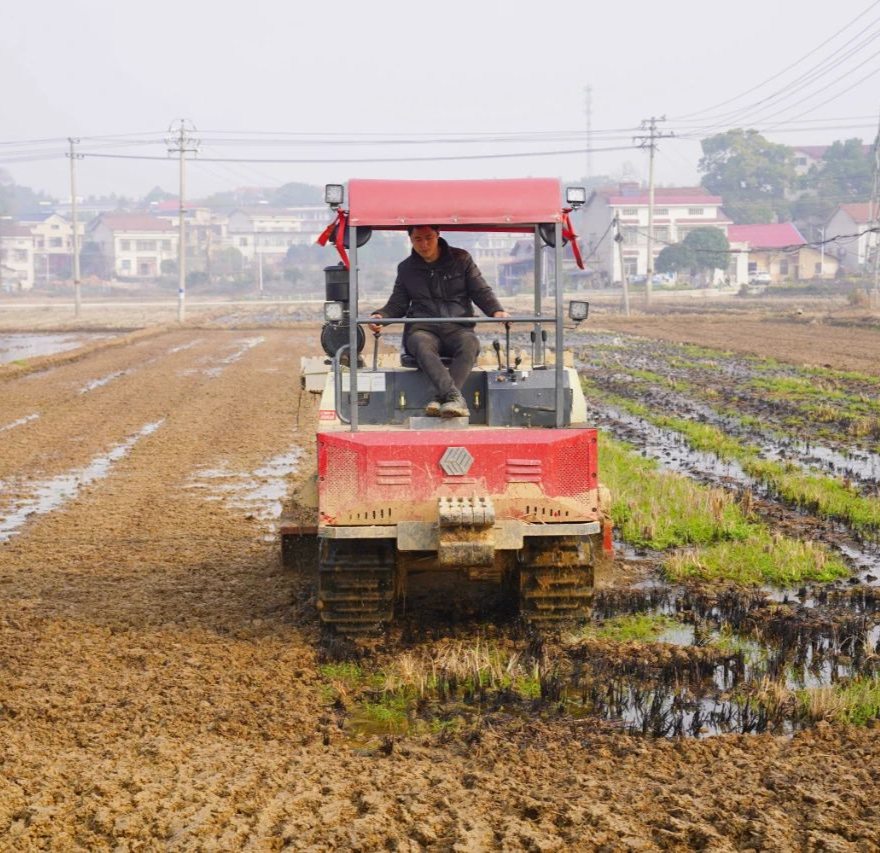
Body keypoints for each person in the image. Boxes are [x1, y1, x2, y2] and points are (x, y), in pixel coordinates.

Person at [369, 225, 509, 418]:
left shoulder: (462, 259)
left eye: (429, 238)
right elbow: (397, 304)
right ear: (410, 239)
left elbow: (480, 290)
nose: (424, 244)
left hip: (458, 327)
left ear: (438, 235)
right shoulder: (406, 269)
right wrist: (381, 316)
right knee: (420, 343)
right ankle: (453, 397)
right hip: (423, 328)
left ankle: (441, 398)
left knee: (470, 343)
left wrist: (497, 310)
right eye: (418, 239)